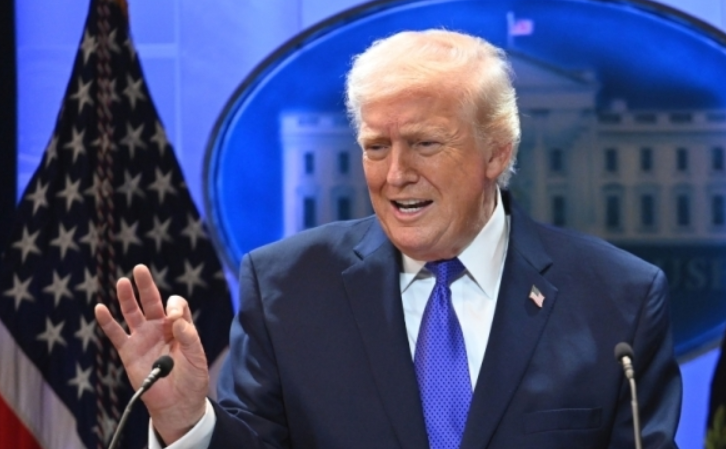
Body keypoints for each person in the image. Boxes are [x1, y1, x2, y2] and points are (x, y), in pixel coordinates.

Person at [95, 29, 681, 448]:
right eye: (377, 147)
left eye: (425, 144)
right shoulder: (286, 290)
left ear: (496, 153)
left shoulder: (618, 298)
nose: (395, 174)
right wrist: (186, 420)